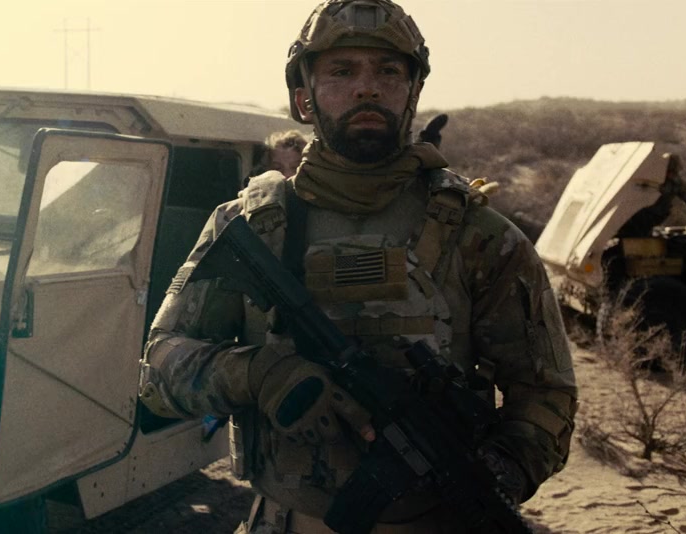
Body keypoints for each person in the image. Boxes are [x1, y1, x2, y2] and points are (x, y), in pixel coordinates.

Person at [138, 1, 578, 532]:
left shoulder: (480, 236)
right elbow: (157, 371)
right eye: (342, 71)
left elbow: (547, 392)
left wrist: (494, 476)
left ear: (412, 92)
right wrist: (259, 374)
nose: (367, 89)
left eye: (388, 71)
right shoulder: (250, 227)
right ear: (303, 98)